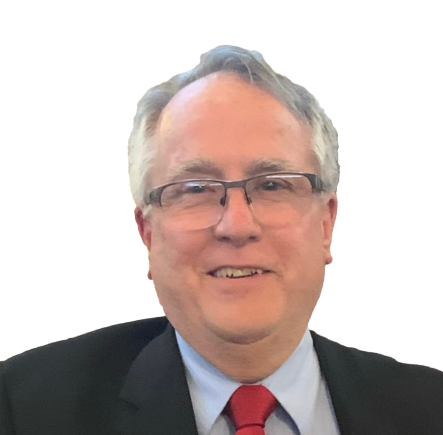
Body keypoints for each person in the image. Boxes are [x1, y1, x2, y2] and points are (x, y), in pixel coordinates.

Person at [1, 45, 442, 435]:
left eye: (272, 185)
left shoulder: (430, 407)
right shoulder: (23, 408)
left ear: (327, 223)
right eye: (195, 189)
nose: (236, 225)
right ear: (147, 232)